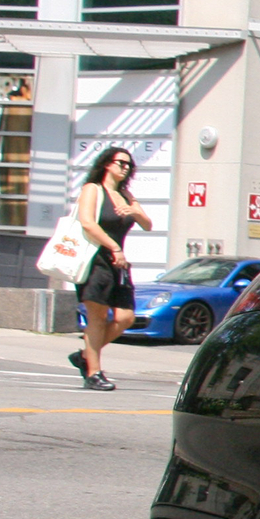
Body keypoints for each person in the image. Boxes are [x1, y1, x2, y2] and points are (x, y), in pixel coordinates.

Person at [71, 147, 150, 392]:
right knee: (97, 318)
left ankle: (86, 355)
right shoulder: (92, 190)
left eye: (129, 165)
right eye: (120, 163)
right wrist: (114, 247)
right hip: (96, 261)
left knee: (126, 317)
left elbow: (147, 225)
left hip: (119, 265)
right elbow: (87, 223)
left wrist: (135, 211)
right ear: (107, 164)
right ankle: (93, 373)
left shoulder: (127, 195)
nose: (125, 168)